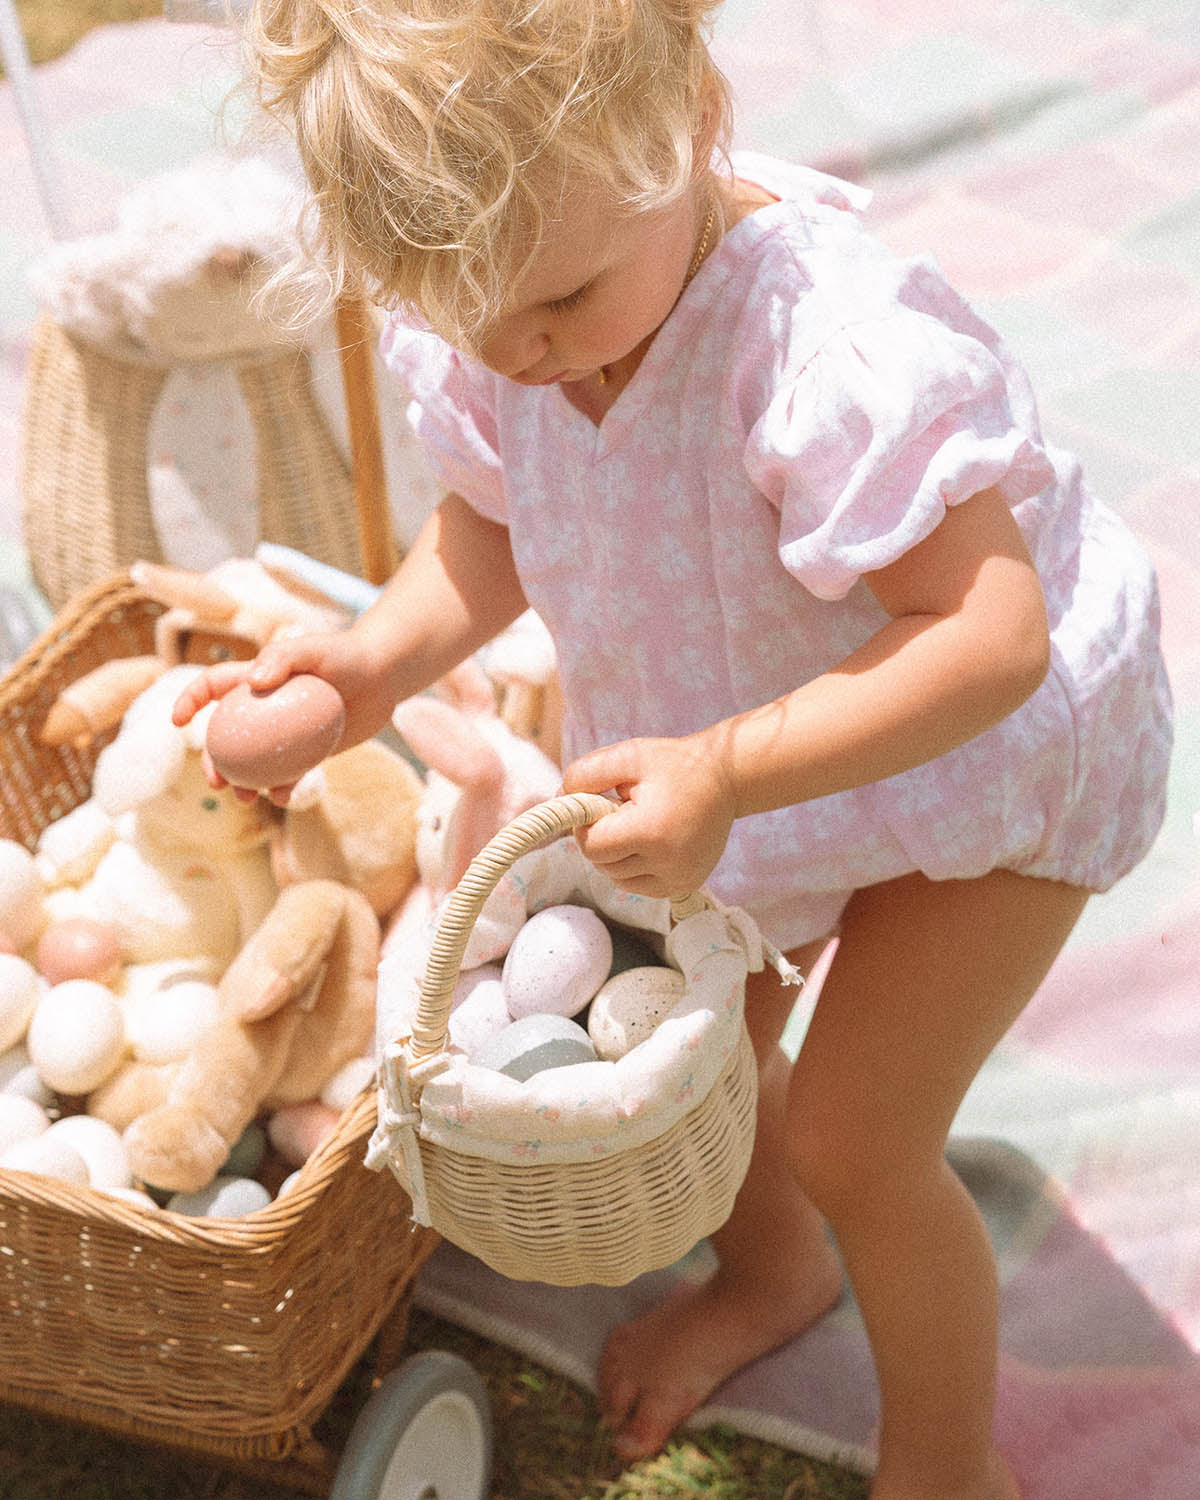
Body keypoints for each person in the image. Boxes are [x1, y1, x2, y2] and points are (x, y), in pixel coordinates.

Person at [174, 3, 1173, 1497]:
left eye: (564, 300)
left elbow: (986, 635)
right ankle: (775, 1279)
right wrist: (369, 667)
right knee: (699, 1060)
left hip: (985, 757)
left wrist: (728, 772)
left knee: (856, 1142)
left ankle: (948, 1465)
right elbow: (492, 522)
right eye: (474, 325)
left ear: (692, 122)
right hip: (739, 754)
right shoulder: (509, 308)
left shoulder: (826, 348)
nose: (521, 351)